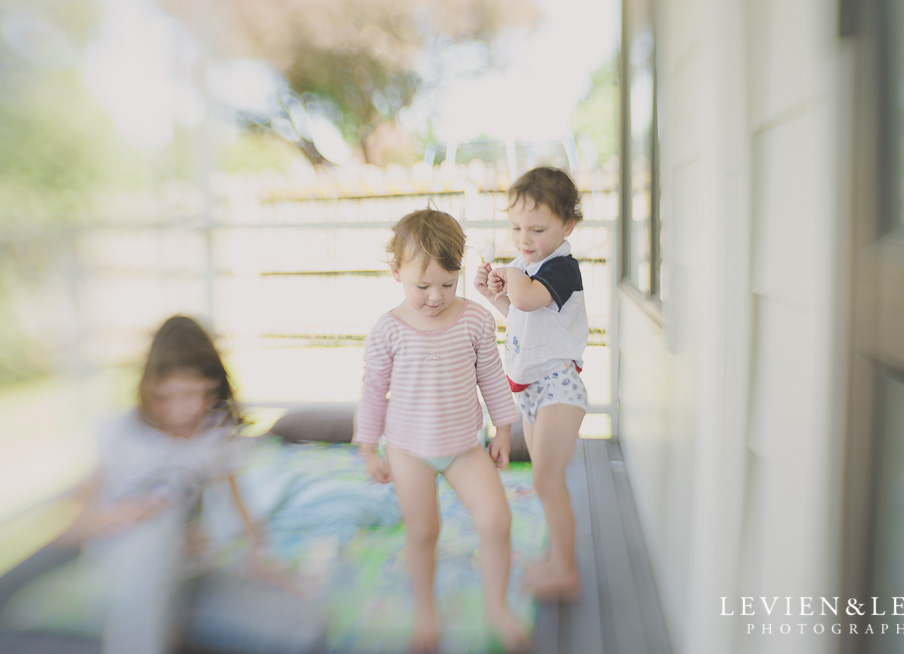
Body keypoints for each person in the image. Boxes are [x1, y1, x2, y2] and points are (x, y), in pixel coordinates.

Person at [66, 315, 323, 654]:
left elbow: (237, 498)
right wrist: (126, 516)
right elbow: (73, 524)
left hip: (188, 571)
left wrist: (260, 557)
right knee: (162, 525)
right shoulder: (120, 433)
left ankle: (172, 616)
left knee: (305, 628)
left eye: (205, 393)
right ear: (153, 388)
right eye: (181, 394)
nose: (195, 407)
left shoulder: (212, 434)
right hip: (126, 568)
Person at [354, 209, 531, 653]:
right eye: (423, 286)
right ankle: (426, 611)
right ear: (397, 273)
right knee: (424, 531)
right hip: (409, 450)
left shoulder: (473, 320)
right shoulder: (387, 331)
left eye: (448, 283)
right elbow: (374, 391)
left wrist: (504, 430)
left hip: (464, 447)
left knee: (497, 520)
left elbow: (492, 375)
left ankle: (496, 608)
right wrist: (369, 447)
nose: (436, 296)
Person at [474, 167, 589, 603]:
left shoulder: (561, 268)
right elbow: (521, 314)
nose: (524, 238)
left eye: (537, 229)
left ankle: (567, 570)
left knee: (547, 481)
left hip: (559, 388)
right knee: (544, 482)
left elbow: (525, 297)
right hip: (531, 391)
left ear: (567, 227)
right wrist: (495, 296)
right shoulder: (527, 267)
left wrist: (510, 275)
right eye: (516, 227)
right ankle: (558, 560)